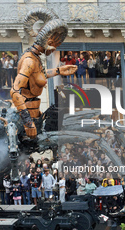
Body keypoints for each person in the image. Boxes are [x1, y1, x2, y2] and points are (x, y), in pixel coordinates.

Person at [10, 9, 77, 139]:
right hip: (28, 120)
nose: (55, 49)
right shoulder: (30, 61)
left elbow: (36, 77)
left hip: (35, 113)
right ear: (50, 42)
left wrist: (58, 71)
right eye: (56, 45)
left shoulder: (35, 58)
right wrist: (28, 122)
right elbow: (14, 91)